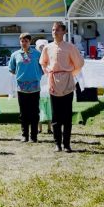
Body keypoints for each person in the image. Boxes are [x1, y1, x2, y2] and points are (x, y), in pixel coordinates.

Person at [39, 22, 85, 153]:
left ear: (64, 32)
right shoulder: (47, 48)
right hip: (53, 82)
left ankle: (67, 144)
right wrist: (49, 74)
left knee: (67, 116)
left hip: (67, 82)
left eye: (57, 30)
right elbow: (43, 62)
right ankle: (57, 143)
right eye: (53, 30)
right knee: (56, 116)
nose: (54, 32)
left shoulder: (70, 47)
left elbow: (79, 63)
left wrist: (70, 74)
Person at [8, 33, 43, 143]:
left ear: (30, 41)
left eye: (26, 41)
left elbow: (43, 68)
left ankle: (34, 136)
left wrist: (35, 75)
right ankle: (25, 135)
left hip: (35, 87)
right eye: (22, 41)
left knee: (34, 112)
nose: (24, 43)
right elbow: (12, 69)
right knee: (23, 113)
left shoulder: (37, 54)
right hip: (21, 88)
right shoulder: (15, 55)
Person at [35, 39, 52, 135]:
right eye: (40, 47)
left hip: (49, 83)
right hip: (39, 84)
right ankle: (39, 128)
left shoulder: (50, 56)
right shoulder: (36, 57)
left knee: (49, 108)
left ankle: (50, 128)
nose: (42, 48)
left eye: (43, 46)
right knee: (38, 107)